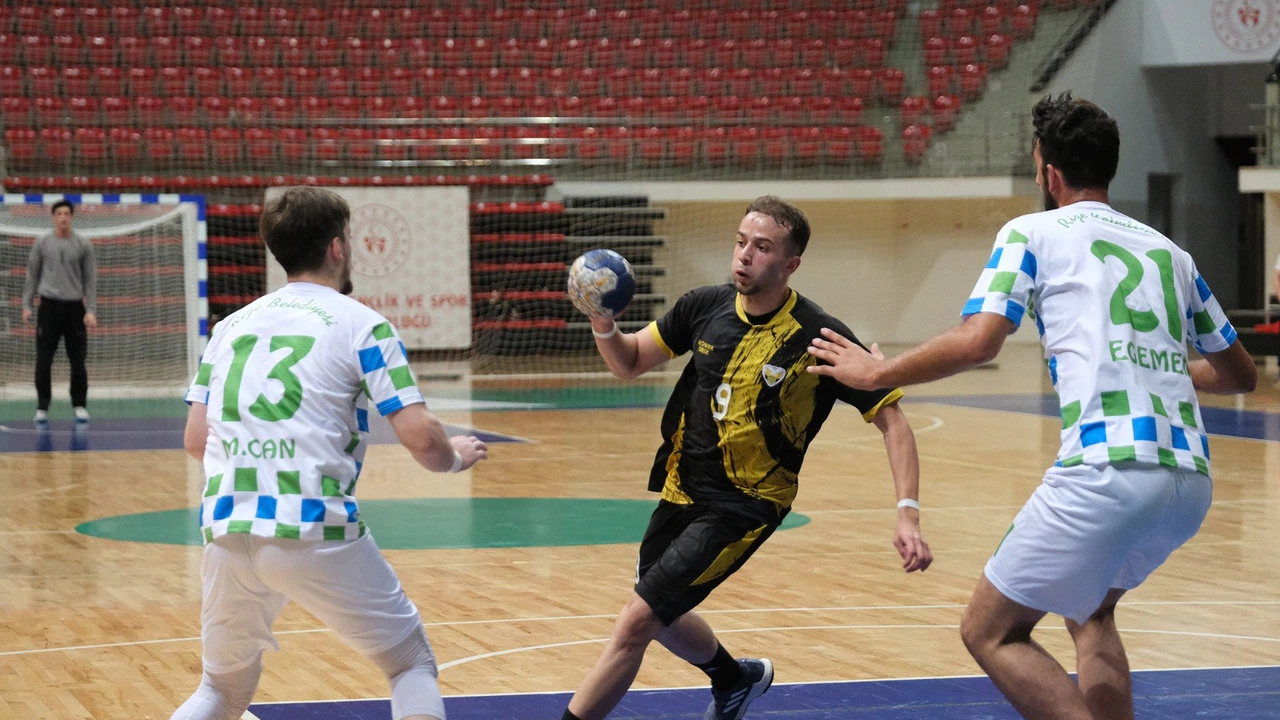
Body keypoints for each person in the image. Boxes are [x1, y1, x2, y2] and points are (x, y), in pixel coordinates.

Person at [808, 93, 1257, 720]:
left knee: (989, 630)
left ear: (1048, 172)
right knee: (1091, 611)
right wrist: (1157, 365)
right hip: (1189, 483)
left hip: (1107, 471)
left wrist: (876, 370)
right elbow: (1240, 374)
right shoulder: (1171, 253)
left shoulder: (1031, 232)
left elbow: (979, 342)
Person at [561, 196, 932, 720]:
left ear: (791, 264)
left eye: (762, 247)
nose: (744, 255)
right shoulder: (703, 307)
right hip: (681, 489)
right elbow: (630, 361)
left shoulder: (818, 336)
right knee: (661, 614)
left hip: (744, 505)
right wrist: (603, 322)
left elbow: (893, 422)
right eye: (740, 242)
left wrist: (907, 512)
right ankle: (735, 679)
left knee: (635, 623)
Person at [171, 186, 489, 720]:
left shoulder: (229, 327)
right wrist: (454, 457)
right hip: (313, 526)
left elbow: (195, 440)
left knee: (220, 692)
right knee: (410, 664)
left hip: (226, 529)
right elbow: (423, 439)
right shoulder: (363, 324)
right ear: (338, 246)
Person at [22, 199, 98, 423]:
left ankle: (79, 405)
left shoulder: (83, 244)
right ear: (53, 216)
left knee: (78, 360)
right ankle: (42, 406)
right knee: (44, 359)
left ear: (72, 217)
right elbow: (32, 275)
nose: (63, 217)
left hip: (75, 308)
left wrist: (90, 310)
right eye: (59, 213)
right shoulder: (42, 243)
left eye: (66, 213)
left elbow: (90, 279)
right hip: (49, 307)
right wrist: (26, 305)